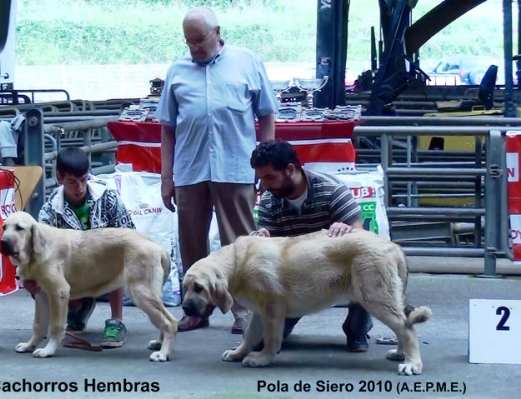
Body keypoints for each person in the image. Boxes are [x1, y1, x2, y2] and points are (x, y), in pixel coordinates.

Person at [155, 6, 278, 334]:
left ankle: (244, 310)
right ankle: (197, 309)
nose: (194, 47)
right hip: (190, 168)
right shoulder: (177, 71)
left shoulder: (247, 62)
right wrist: (167, 178)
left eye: (199, 39)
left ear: (217, 32)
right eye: (188, 41)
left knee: (240, 245)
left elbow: (266, 115)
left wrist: (267, 166)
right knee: (191, 244)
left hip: (235, 165)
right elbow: (167, 127)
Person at [250, 139, 373, 352]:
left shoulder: (332, 189)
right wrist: (261, 240)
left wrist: (348, 231)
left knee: (364, 266)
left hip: (337, 273)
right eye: (261, 179)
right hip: (295, 277)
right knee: (257, 343)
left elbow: (362, 238)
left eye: (269, 177)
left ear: (290, 169)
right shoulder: (269, 202)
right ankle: (277, 327)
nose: (265, 186)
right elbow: (270, 254)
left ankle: (356, 330)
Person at [22, 147, 136, 348]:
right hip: (75, 271)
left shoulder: (108, 196)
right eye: (72, 182)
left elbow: (129, 235)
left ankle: (116, 321)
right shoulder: (49, 211)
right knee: (45, 280)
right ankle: (77, 311)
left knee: (117, 252)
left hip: (108, 265)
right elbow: (38, 251)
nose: (80, 188)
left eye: (84, 180)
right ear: (59, 178)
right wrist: (30, 280)